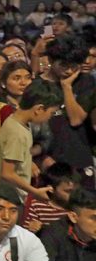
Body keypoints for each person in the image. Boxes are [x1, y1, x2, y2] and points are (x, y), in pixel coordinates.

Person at [0, 80, 63, 201]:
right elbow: (7, 173)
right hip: (4, 198)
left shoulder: (15, 121)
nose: (50, 118)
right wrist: (35, 192)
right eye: (51, 113)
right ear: (39, 109)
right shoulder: (17, 133)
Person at [40, 35, 96, 190]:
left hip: (80, 161)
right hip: (50, 163)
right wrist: (41, 158)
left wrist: (67, 87)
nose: (70, 70)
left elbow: (76, 119)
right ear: (51, 61)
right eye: (64, 64)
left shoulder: (86, 82)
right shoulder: (39, 86)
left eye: (74, 65)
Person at [21, 162, 77, 233]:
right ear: (51, 189)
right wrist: (32, 228)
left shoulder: (77, 207)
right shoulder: (37, 206)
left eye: (74, 191)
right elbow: (25, 233)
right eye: (67, 191)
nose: (73, 194)